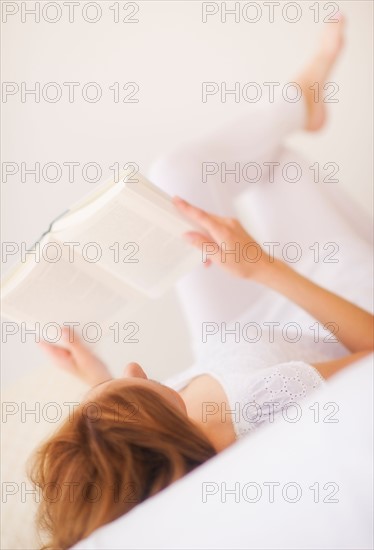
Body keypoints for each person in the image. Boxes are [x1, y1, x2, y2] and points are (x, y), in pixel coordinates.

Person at [31, 14, 373, 550]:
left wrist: (97, 379)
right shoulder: (262, 404)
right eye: (142, 385)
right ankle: (301, 104)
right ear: (161, 435)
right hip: (333, 306)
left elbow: (128, 450)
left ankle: (298, 105)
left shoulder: (179, 443)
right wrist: (263, 267)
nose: (137, 367)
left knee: (178, 174)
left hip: (235, 337)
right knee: (278, 168)